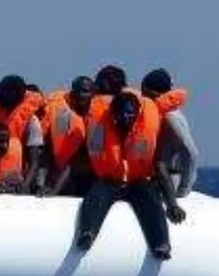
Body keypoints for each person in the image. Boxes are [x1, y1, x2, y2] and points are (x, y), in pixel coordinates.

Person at [77, 91, 186, 258]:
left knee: (151, 201)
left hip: (137, 181)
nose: (126, 117)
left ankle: (161, 244)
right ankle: (87, 233)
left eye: (130, 113)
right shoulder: (101, 129)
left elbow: (159, 166)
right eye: (122, 113)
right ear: (114, 114)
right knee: (95, 196)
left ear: (137, 113)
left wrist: (172, 204)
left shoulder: (147, 131)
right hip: (111, 181)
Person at [141, 67, 201, 197]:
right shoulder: (154, 114)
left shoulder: (171, 117)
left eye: (144, 91)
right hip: (154, 179)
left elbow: (191, 153)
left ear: (153, 92)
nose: (142, 95)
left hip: (169, 181)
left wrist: (184, 188)